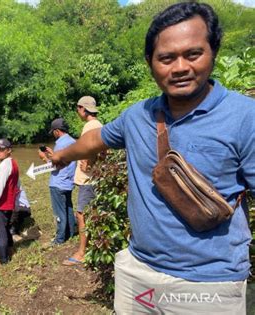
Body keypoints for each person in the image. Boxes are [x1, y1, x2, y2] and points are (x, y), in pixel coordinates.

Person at [51, 2, 254, 314]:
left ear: (213, 51)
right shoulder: (138, 116)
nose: (180, 67)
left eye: (193, 54)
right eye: (166, 58)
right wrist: (64, 155)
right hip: (139, 270)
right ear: (150, 62)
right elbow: (95, 139)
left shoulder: (245, 117)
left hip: (209, 283)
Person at [63, 96, 103, 266]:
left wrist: (86, 163)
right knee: (94, 212)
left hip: (89, 179)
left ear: (83, 109)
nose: (77, 111)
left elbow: (90, 149)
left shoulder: (89, 126)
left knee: (81, 214)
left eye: (78, 108)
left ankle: (81, 252)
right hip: (98, 177)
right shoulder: (100, 124)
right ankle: (96, 246)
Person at [39, 118, 76, 245]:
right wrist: (52, 153)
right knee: (68, 208)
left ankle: (59, 239)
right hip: (69, 182)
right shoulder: (72, 141)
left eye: (53, 132)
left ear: (57, 131)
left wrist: (44, 158)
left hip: (58, 182)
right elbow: (65, 160)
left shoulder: (60, 143)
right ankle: (70, 233)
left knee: (59, 212)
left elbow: (55, 166)